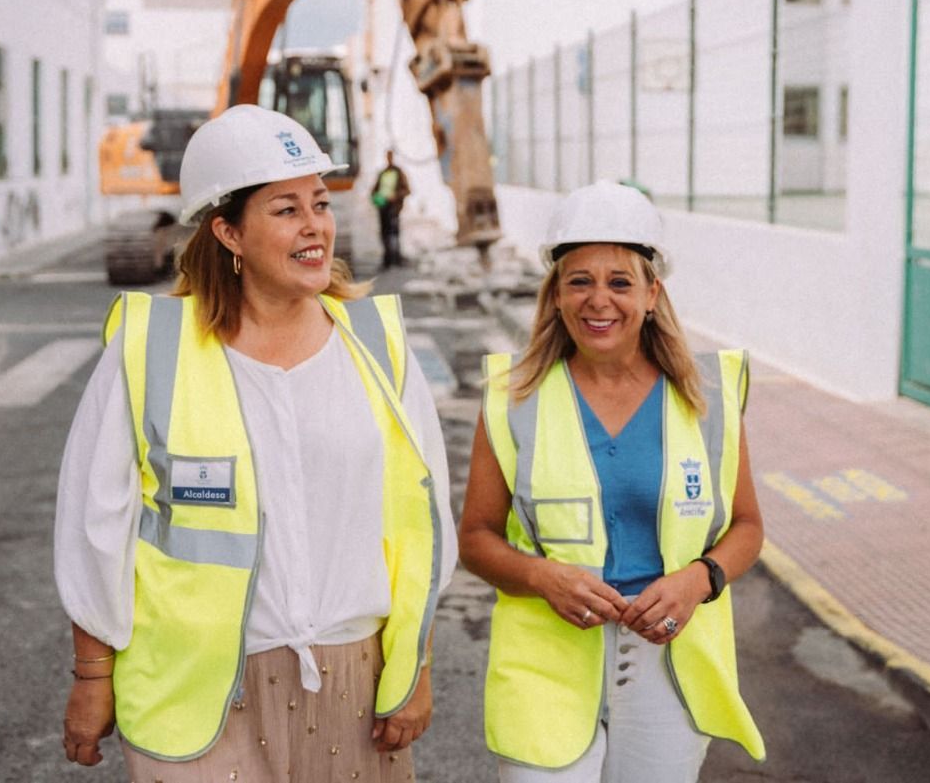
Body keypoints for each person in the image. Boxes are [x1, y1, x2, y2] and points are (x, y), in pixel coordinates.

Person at [54, 105, 457, 782]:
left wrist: (416, 663)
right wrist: (92, 677)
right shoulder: (151, 348)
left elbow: (422, 525)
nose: (315, 226)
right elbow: (95, 527)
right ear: (228, 230)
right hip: (196, 686)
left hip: (353, 680)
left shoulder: (377, 346)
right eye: (285, 208)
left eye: (320, 203)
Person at [458, 180, 766, 782]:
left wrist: (698, 580)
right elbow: (476, 538)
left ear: (653, 293)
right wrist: (541, 576)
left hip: (668, 668)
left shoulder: (706, 398)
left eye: (620, 282)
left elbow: (748, 527)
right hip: (546, 668)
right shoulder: (512, 398)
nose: (599, 301)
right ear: (556, 295)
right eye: (580, 281)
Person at [371, 151, 410, 270]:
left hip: (393, 207)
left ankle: (396, 258)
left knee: (394, 233)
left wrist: (395, 196)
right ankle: (387, 260)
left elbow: (406, 190)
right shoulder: (383, 173)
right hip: (383, 206)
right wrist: (376, 198)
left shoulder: (398, 173)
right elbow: (375, 189)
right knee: (384, 233)